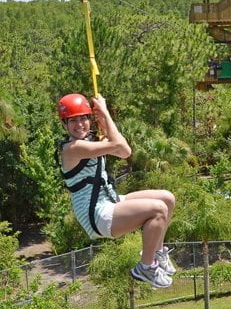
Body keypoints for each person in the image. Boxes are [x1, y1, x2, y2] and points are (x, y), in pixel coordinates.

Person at [57, 92, 176, 289]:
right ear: (65, 124)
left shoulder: (92, 142)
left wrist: (104, 121)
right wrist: (104, 112)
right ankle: (146, 267)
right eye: (73, 121)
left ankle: (158, 252)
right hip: (96, 215)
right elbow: (120, 146)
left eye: (83, 118)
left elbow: (124, 151)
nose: (80, 124)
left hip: (110, 200)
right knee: (158, 210)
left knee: (167, 198)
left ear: (89, 119)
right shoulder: (72, 148)